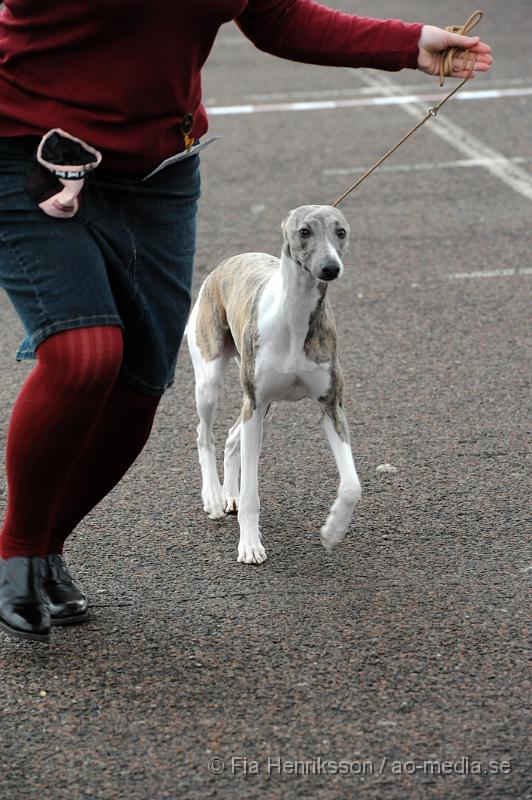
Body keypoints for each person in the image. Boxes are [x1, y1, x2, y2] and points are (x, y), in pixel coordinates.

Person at [0, 1, 492, 642]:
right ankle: (18, 547)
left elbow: (275, 15)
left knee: (141, 384)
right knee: (85, 352)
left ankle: (47, 547)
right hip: (31, 153)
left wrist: (410, 43)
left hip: (158, 171)